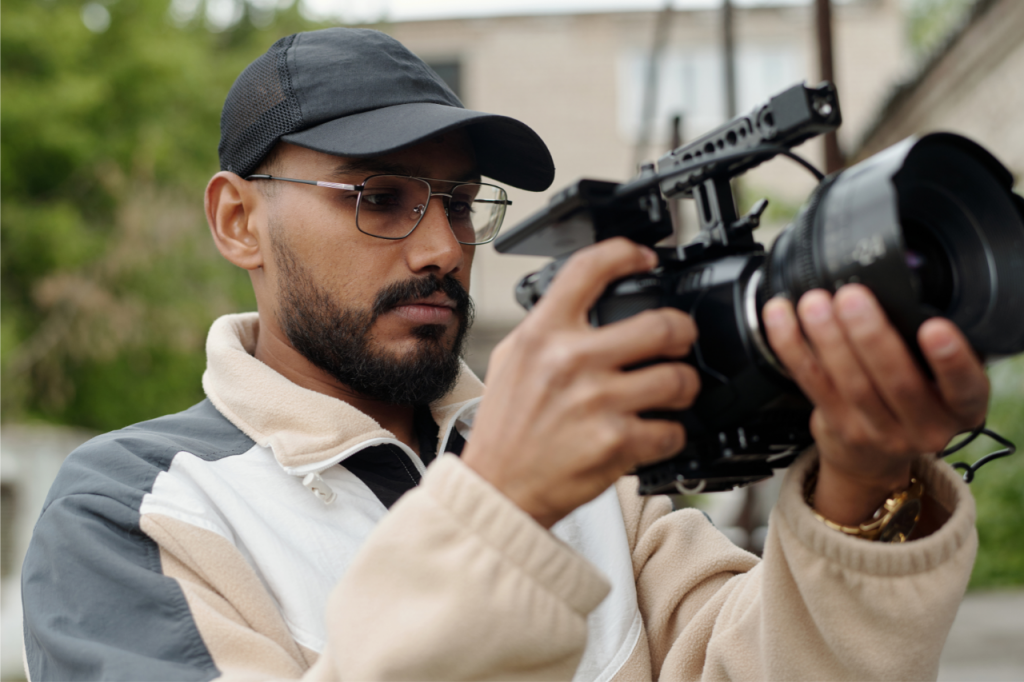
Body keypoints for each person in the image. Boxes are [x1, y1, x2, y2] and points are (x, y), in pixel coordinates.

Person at [22, 27, 989, 681]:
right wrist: (503, 505)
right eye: (381, 197)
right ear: (238, 219)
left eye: (458, 201)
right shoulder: (134, 510)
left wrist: (863, 487)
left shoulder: (600, 474)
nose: (444, 247)